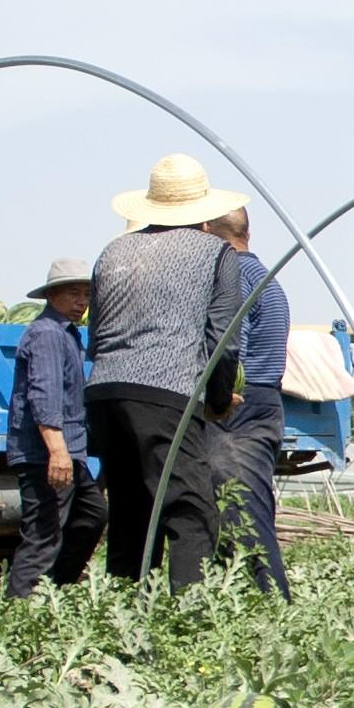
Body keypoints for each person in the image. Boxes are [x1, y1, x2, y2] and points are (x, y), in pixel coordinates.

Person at [86, 153, 250, 590]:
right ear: (203, 212)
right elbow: (224, 340)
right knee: (190, 513)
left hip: (105, 393)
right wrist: (217, 402)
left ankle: (125, 619)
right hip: (166, 394)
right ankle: (187, 629)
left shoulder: (113, 251)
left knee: (130, 515)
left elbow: (95, 335)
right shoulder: (215, 253)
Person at [206, 206, 292, 599]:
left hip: (238, 404)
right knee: (245, 505)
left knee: (241, 510)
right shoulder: (265, 277)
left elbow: (225, 343)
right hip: (265, 401)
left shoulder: (233, 278)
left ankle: (274, 603)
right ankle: (242, 598)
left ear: (208, 231)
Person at [5, 255, 101, 596]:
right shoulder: (46, 333)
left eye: (86, 295)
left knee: (92, 515)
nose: (81, 302)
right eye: (74, 294)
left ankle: (53, 592)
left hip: (70, 450)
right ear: (51, 296)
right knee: (43, 535)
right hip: (44, 453)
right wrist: (57, 451)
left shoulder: (68, 334)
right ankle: (17, 615)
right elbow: (43, 395)